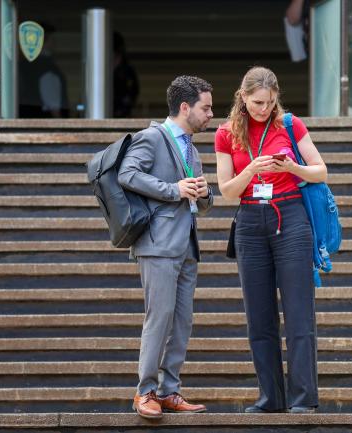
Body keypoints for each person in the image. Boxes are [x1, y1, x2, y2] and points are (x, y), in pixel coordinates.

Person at [214, 67, 326, 413]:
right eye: (257, 102)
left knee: (298, 314)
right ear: (243, 97)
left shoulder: (290, 125)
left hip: (290, 216)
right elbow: (227, 191)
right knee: (258, 317)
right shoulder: (226, 133)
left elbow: (320, 170)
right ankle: (270, 397)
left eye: (269, 102)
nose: (263, 109)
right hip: (249, 220)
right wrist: (251, 169)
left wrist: (291, 168)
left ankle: (303, 399)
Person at [118, 75, 214, 419]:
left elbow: (201, 200)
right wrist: (173, 189)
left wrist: (204, 194)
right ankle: (144, 391)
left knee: (182, 321)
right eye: (205, 107)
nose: (211, 114)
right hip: (158, 245)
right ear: (185, 107)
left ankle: (169, 389)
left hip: (186, 245)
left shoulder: (191, 146)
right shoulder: (151, 138)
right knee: (158, 318)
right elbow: (127, 174)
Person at [18, 23, 69, 118]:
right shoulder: (47, 67)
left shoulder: (22, 66)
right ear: (46, 41)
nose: (55, 44)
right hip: (43, 122)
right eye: (53, 40)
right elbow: (53, 105)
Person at [112, 32, 140, 118]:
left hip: (122, 112)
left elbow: (133, 91)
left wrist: (125, 107)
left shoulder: (127, 70)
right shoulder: (99, 71)